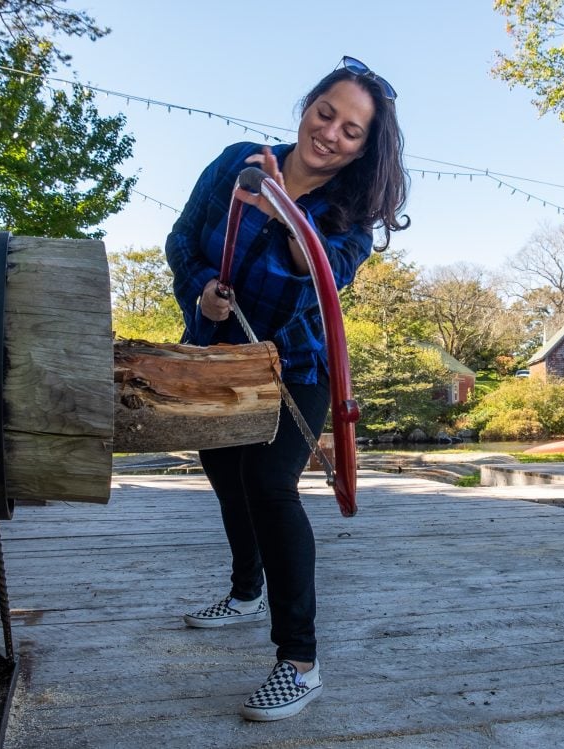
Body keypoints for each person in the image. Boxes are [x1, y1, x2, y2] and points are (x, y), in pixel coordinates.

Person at [164, 56, 409, 722]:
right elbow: (182, 238)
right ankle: (245, 589)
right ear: (308, 106)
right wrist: (200, 293)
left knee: (270, 484)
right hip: (219, 354)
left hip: (297, 366)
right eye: (325, 113)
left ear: (365, 149)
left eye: (351, 131)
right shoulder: (236, 163)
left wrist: (281, 205)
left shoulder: (349, 218)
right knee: (223, 470)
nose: (330, 132)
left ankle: (299, 661)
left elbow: (317, 269)